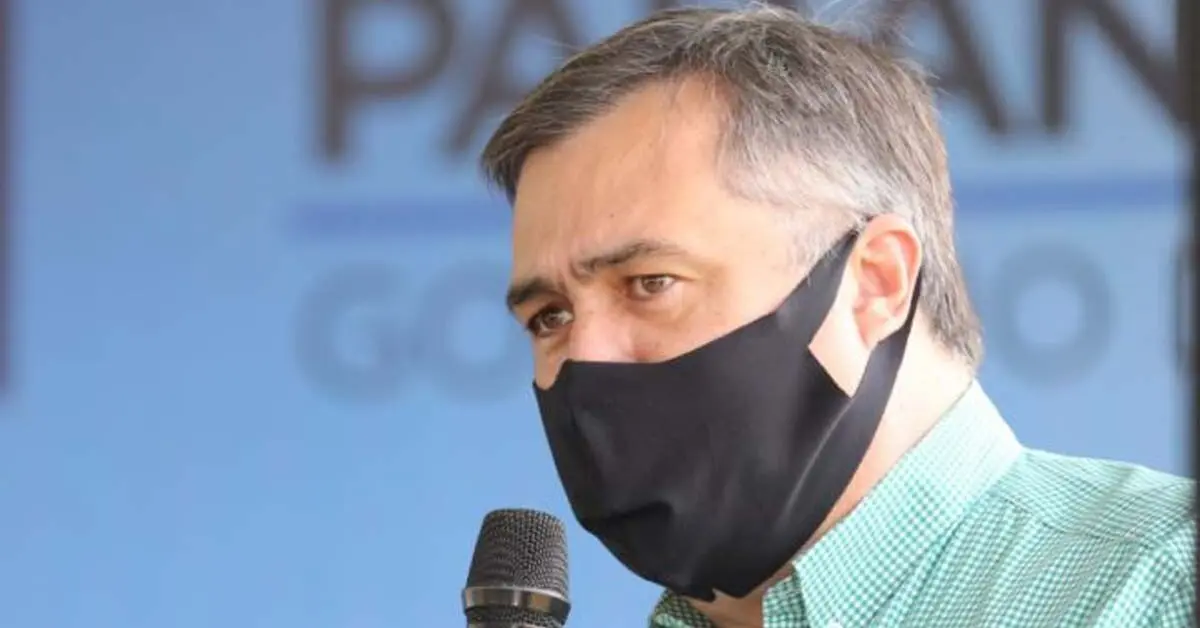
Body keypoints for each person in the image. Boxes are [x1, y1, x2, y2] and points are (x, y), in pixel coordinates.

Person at [479, 6, 1196, 628]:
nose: (587, 358)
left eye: (650, 283)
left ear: (875, 282)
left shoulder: (1164, 588)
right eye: (549, 316)